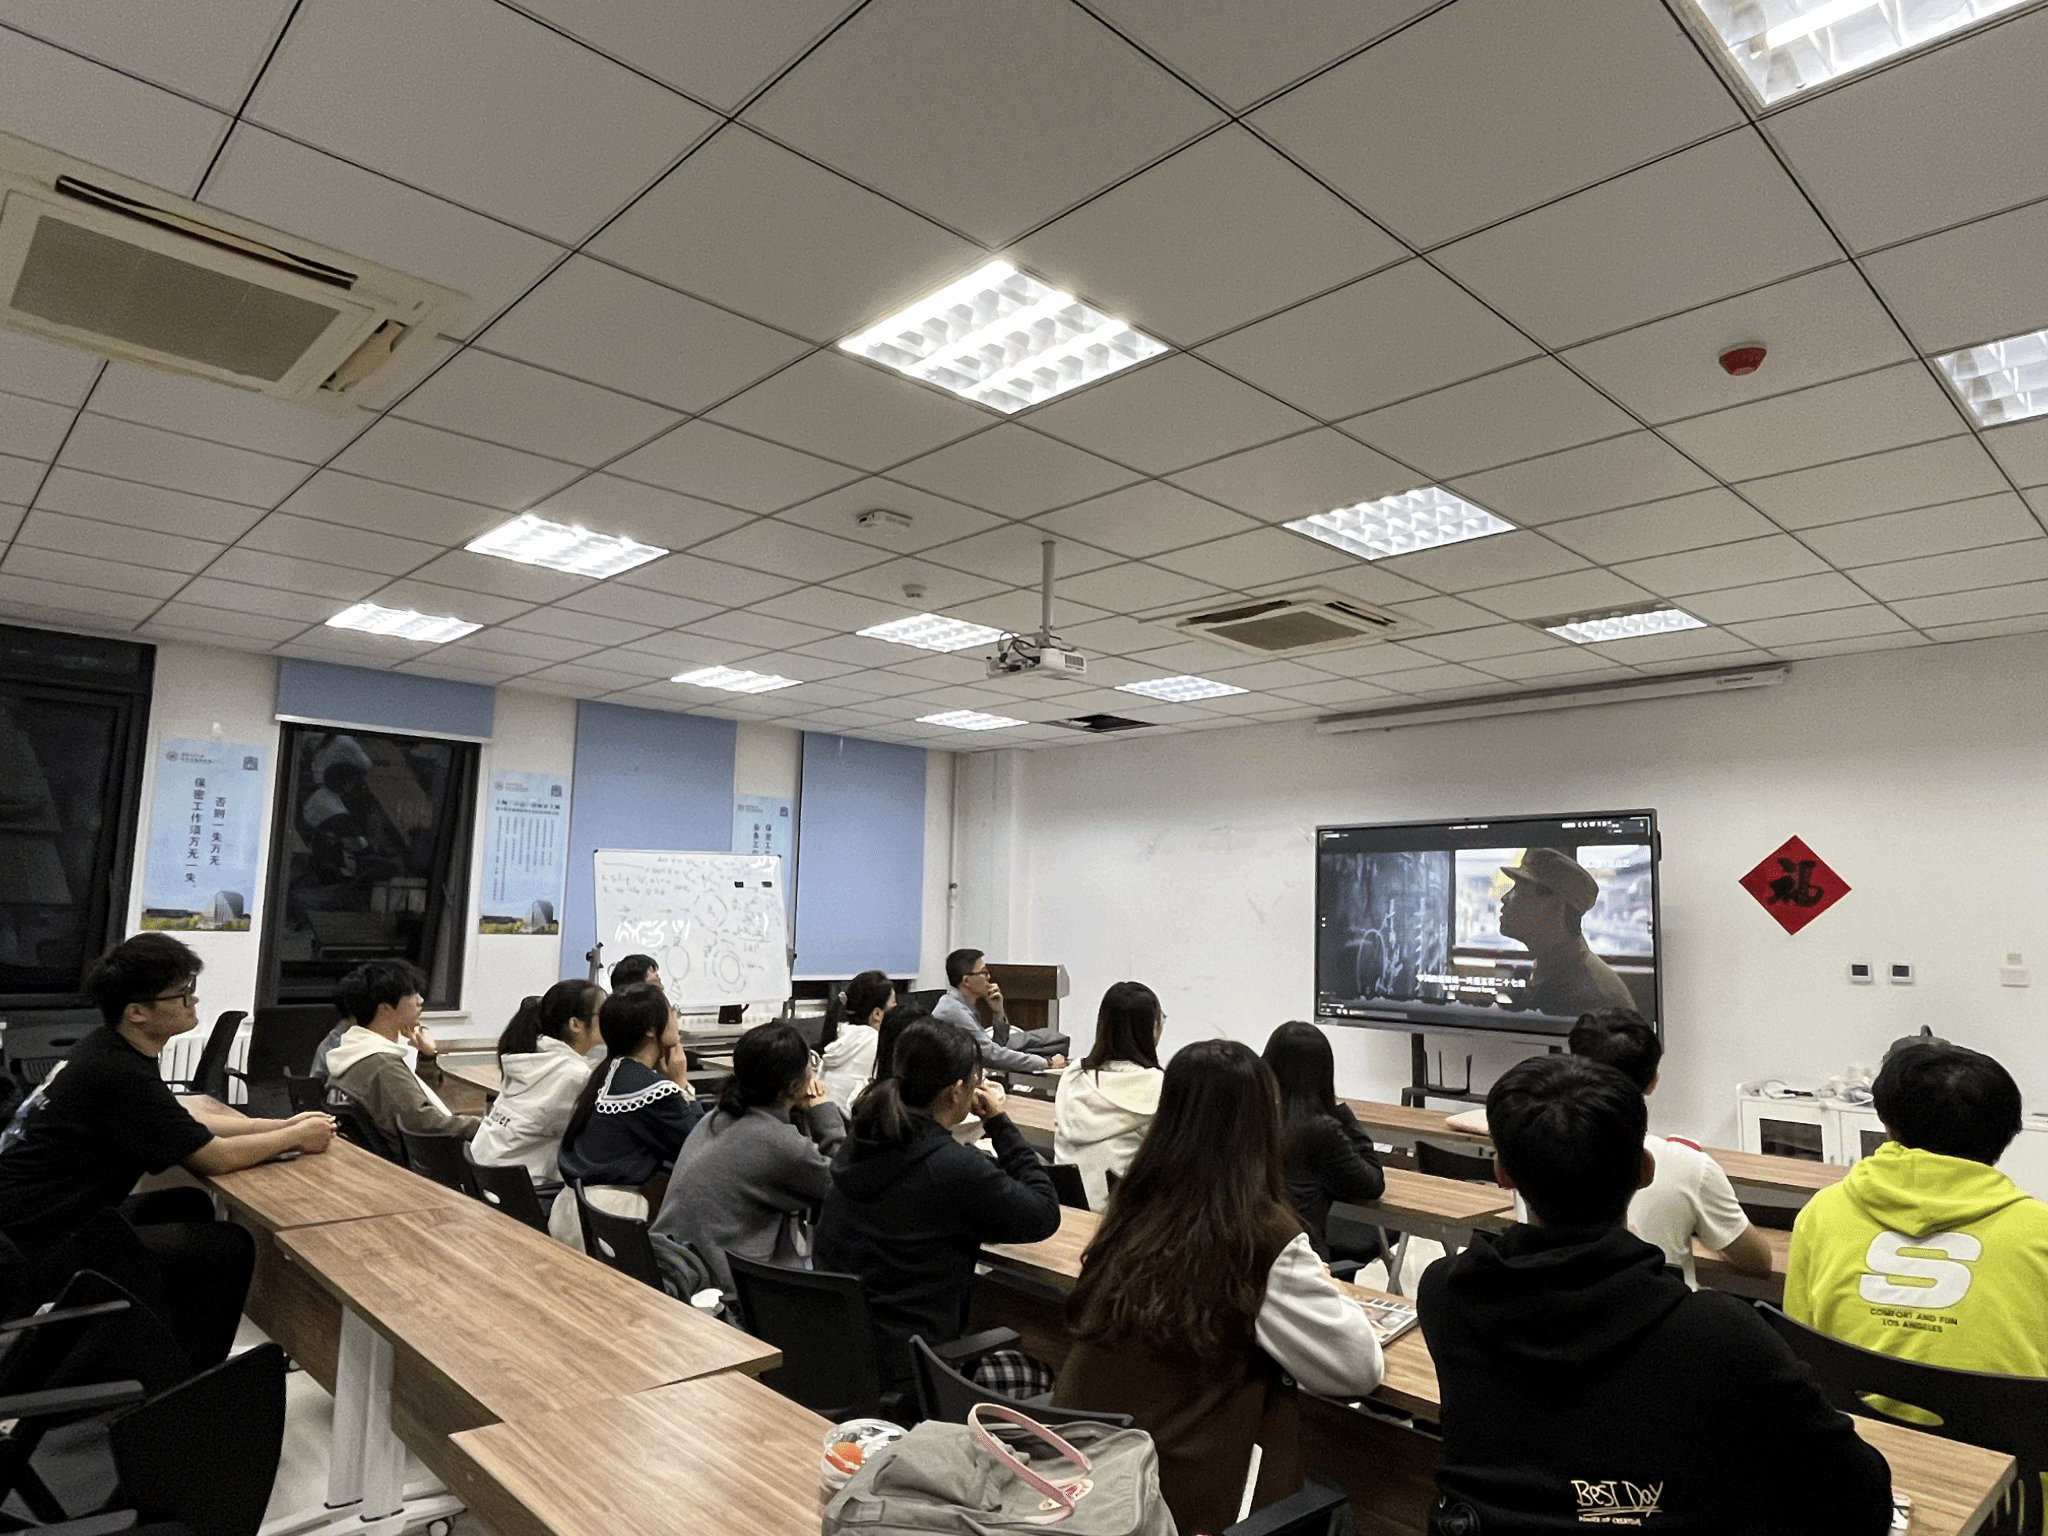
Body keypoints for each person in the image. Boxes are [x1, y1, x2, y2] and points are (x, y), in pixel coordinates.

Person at [1419, 1054, 1892, 1535]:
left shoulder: (1446, 1293)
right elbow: (1861, 1495)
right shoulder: (1719, 1333)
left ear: (1502, 1171)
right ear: (1646, 1170)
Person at [1055, 1040, 1382, 1536]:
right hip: (1171, 1498)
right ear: (1263, 1127)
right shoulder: (1257, 1233)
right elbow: (1357, 1369)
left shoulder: (1131, 1207)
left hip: (1083, 1477)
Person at [0, 934, 336, 1369]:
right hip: (37, 1243)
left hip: (44, 1220)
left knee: (188, 1203)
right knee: (229, 1246)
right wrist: (295, 1139)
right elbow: (214, 1156)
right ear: (137, 1012)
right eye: (181, 994)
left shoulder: (109, 1048)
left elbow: (174, 1118)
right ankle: (194, 1374)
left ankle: (165, 1341)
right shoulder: (117, 1072)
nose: (193, 1000)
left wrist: (279, 1125)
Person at [1787, 1040, 2048, 1396]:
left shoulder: (1821, 1213)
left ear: (1890, 1126)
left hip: (1853, 1426)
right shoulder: (2040, 1231)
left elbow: (1803, 1349)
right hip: (2003, 1431)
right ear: (2007, 1135)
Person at [814, 1018, 1060, 1395]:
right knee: (1047, 1374)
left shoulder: (861, 1139)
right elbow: (1043, 1214)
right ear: (958, 1090)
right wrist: (998, 1122)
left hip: (844, 1354)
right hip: (917, 1369)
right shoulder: (950, 1167)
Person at [1445, 1010, 1771, 1287]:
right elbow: (1758, 1262)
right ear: (1645, 1169)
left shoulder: (1531, 1143)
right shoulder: (1690, 1165)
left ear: (1503, 1172)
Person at [652, 1022, 846, 1300]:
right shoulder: (778, 1143)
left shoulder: (717, 1117)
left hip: (673, 1268)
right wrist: (822, 1111)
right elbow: (844, 1183)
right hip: (720, 1292)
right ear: (794, 1086)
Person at [550, 984, 700, 1245]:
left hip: (570, 1211)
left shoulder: (608, 1070)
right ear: (650, 1029)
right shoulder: (653, 1089)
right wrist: (681, 1084)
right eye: (671, 1011)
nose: (676, 1017)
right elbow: (699, 1146)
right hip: (610, 1221)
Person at [1261, 1020, 1385, 1262]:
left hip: (1259, 1251)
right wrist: (1342, 1112)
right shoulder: (1320, 1129)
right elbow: (1372, 1185)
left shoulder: (1254, 1117)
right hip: (1303, 1254)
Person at [324, 959, 479, 1144]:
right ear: (385, 1009)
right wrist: (485, 1126)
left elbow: (416, 1102)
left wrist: (427, 1057)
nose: (421, 1000)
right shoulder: (381, 1064)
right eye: (411, 994)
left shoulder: (356, 1051)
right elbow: (425, 1122)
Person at [470, 980, 603, 1184]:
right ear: (575, 1024)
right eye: (603, 1013)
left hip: (485, 1174)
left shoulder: (533, 1056)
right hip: (521, 1187)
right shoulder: (574, 1075)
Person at [1053, 981, 1164, 1209]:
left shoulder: (1073, 1075)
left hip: (1065, 1207)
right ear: (1153, 1028)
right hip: (1119, 1216)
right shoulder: (1158, 1086)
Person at [1495, 848, 1636, 1017]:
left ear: (1556, 905)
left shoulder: (1587, 997)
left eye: (1520, 891)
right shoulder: (1554, 965)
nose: (1505, 898)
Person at [932, 948, 1066, 1074]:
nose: (989, 977)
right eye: (984, 972)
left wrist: (998, 1012)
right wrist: (1047, 1063)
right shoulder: (953, 1010)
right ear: (966, 981)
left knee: (1053, 1040)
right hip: (952, 1083)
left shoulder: (958, 1005)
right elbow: (991, 1055)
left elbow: (998, 1046)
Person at [818, 971, 892, 1113]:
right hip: (849, 1122)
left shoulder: (841, 1034)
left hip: (824, 1117)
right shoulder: (876, 1042)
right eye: (894, 1004)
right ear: (877, 1014)